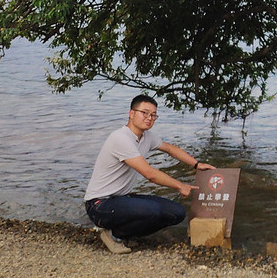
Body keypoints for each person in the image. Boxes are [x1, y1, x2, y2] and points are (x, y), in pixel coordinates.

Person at [84, 94, 214, 254]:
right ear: (131, 113)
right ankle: (113, 235)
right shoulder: (121, 138)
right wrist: (180, 185)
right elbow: (149, 174)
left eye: (153, 115)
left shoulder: (146, 137)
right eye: (144, 113)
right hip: (99, 205)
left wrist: (196, 164)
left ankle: (127, 233)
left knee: (176, 213)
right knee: (153, 210)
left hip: (121, 199)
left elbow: (170, 148)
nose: (149, 118)